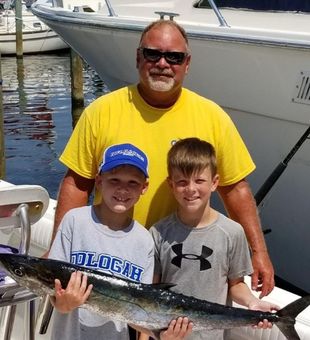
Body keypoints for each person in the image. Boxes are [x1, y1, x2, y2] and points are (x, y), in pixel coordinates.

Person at [53, 19, 274, 296]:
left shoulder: (213, 117)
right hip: (110, 259)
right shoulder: (101, 112)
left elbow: (236, 189)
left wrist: (259, 252)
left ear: (187, 63)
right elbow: (77, 183)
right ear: (138, 57)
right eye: (152, 53)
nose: (162, 63)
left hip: (178, 265)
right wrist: (57, 256)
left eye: (174, 57)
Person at [49, 142, 191, 340]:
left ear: (144, 187)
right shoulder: (75, 221)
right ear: (99, 181)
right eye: (114, 180)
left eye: (132, 182)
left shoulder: (144, 241)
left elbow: (139, 312)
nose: (123, 189)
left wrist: (162, 336)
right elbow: (54, 289)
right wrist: (64, 304)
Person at [147, 138, 279, 340]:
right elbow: (149, 296)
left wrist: (252, 303)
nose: (191, 189)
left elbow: (235, 285)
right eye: (182, 182)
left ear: (214, 183)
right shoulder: (158, 233)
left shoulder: (233, 232)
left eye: (199, 181)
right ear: (171, 185)